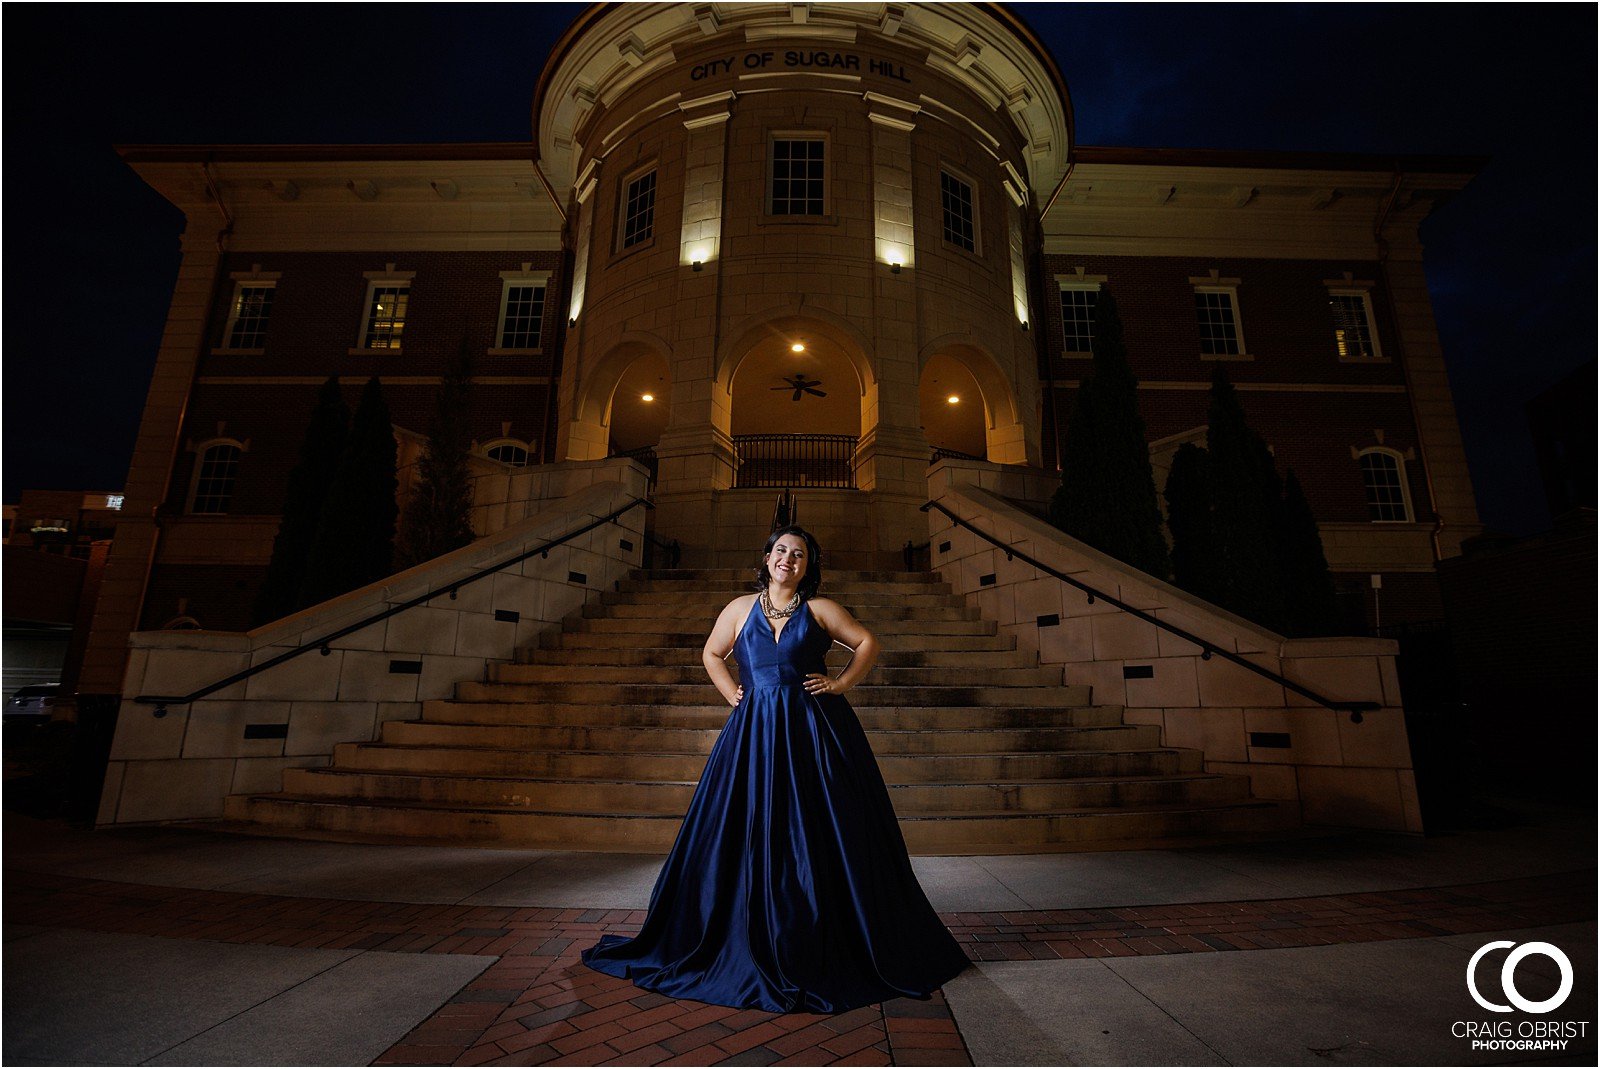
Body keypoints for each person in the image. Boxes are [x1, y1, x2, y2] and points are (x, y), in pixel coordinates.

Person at [580, 525, 970, 1013]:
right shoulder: (739, 608)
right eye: (782, 550)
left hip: (815, 732)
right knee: (743, 826)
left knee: (826, 829)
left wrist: (841, 683)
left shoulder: (822, 608)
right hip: (755, 731)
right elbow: (711, 652)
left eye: (799, 553)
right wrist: (732, 695)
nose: (789, 558)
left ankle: (827, 931)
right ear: (767, 558)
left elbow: (867, 642)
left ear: (808, 565)